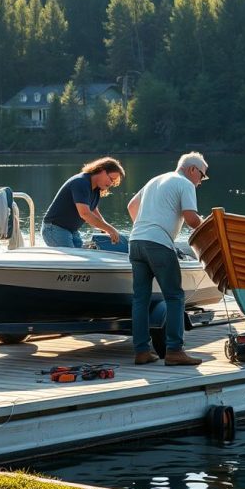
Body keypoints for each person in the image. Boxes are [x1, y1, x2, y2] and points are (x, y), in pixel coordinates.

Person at [126, 152, 209, 366]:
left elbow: (131, 207)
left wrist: (147, 226)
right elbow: (191, 219)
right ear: (192, 170)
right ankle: (174, 351)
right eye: (202, 176)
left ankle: (142, 351)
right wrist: (209, 226)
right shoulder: (185, 183)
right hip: (158, 244)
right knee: (174, 296)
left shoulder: (155, 180)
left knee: (140, 300)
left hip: (136, 242)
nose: (201, 182)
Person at [41, 157, 125, 248]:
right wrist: (110, 229)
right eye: (111, 179)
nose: (111, 183)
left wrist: (106, 230)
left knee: (82, 256)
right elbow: (85, 214)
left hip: (72, 231)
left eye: (113, 182)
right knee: (74, 261)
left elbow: (93, 212)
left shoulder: (96, 189)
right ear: (101, 170)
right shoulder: (81, 182)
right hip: (54, 229)